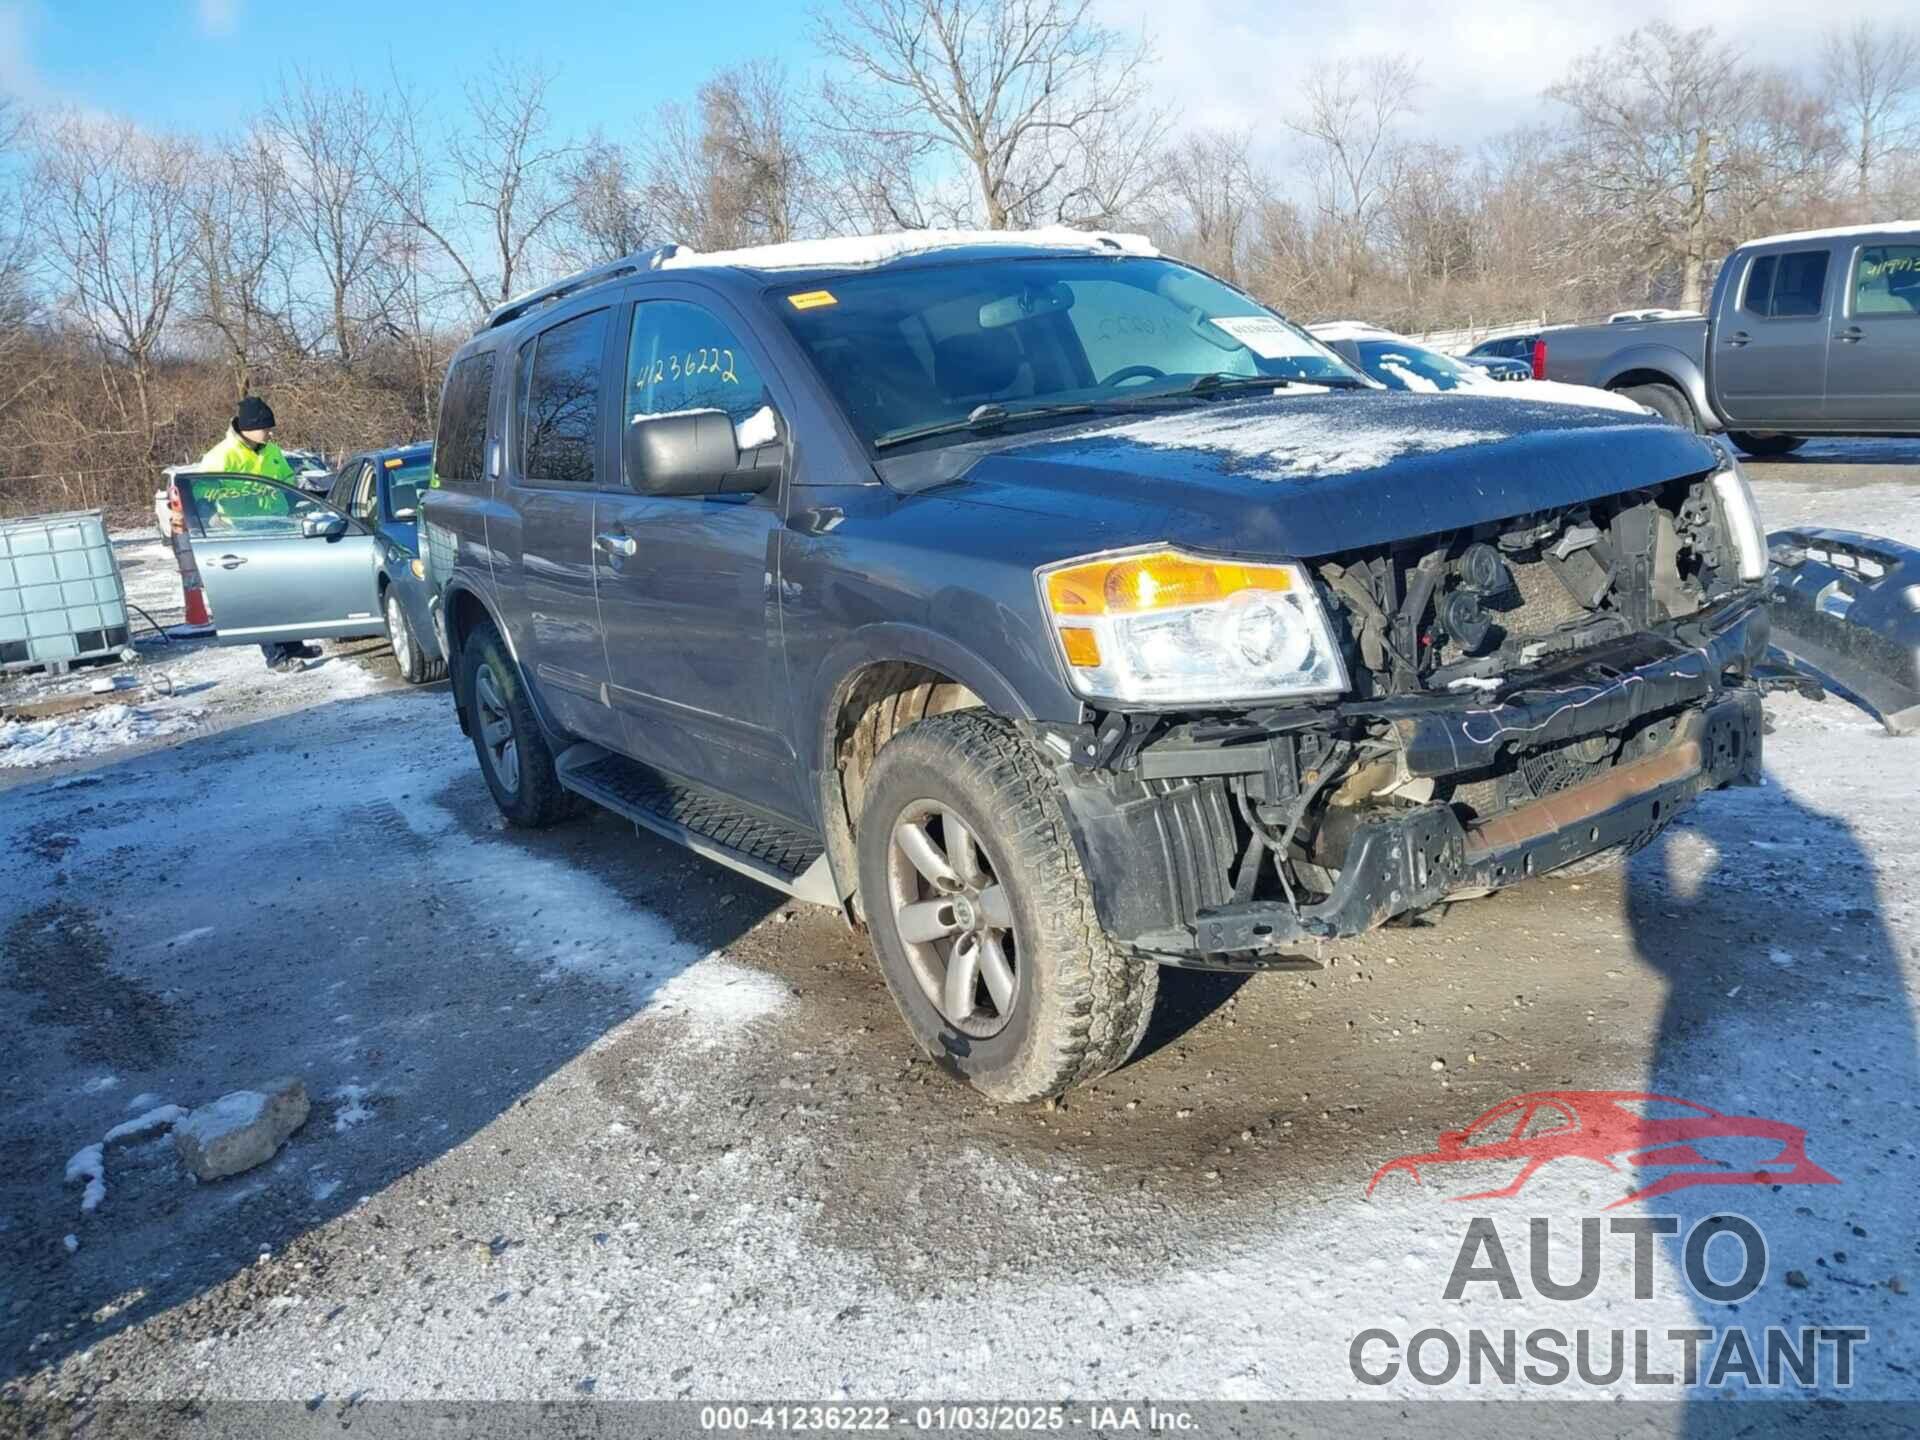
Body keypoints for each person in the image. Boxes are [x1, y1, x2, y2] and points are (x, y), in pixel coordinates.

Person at [195, 396, 320, 674]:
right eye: (266, 428)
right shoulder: (221, 456)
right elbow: (200, 491)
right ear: (248, 428)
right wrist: (212, 515)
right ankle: (275, 656)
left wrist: (297, 504)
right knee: (264, 594)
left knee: (286, 591)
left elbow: (288, 482)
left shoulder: (271, 450)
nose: (270, 433)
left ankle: (293, 644)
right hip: (243, 531)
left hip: (276, 525)